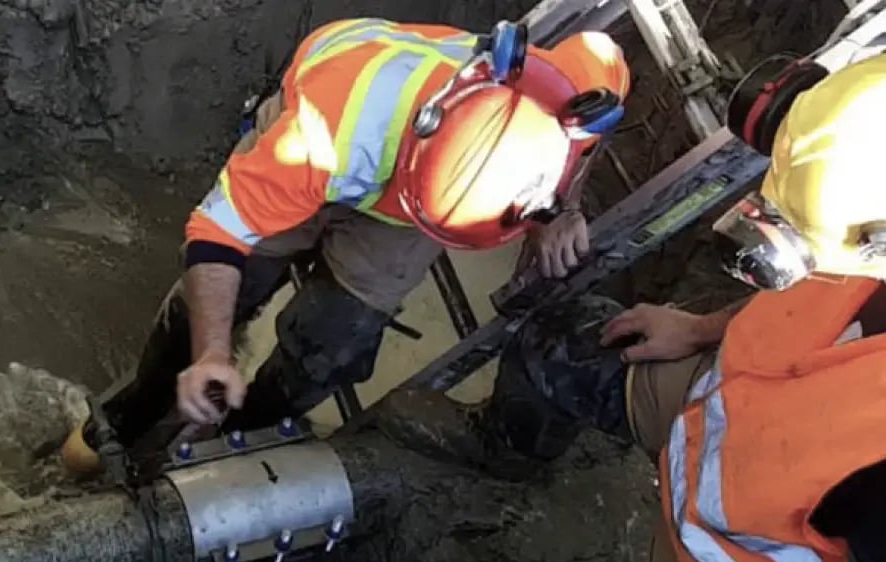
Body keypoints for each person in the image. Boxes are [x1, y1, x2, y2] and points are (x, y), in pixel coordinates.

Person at [381, 52, 886, 562]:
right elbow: (815, 290)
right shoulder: (865, 160)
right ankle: (501, 453)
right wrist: (699, 327)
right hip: (721, 391)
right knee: (560, 342)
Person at [61, 17, 631, 474]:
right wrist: (213, 352)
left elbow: (602, 58)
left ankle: (236, 438)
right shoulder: (320, 134)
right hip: (344, 146)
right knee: (214, 306)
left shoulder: (572, 95)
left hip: (412, 205)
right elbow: (218, 235)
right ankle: (135, 408)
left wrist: (564, 210)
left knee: (331, 346)